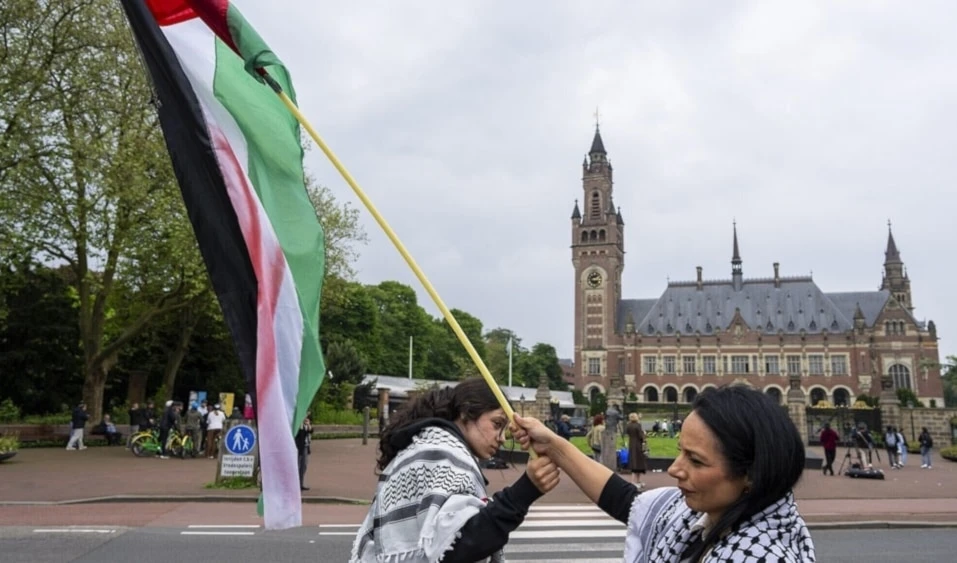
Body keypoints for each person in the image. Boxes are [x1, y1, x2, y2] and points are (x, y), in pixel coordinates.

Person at [512, 384, 815, 562]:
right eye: (680, 451)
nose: (674, 469)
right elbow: (626, 500)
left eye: (695, 461)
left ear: (751, 473)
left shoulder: (762, 556)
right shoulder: (707, 516)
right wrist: (554, 446)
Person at [350, 377, 560, 563]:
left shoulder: (425, 445)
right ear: (466, 412)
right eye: (497, 424)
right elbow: (458, 544)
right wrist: (524, 491)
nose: (503, 438)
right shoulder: (442, 453)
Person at [625, 412, 647, 490]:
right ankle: (636, 481)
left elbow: (627, 432)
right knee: (639, 462)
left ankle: (635, 481)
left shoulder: (628, 425)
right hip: (638, 445)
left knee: (634, 461)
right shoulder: (638, 425)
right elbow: (641, 436)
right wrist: (644, 435)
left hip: (631, 444)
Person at [295, 415, 313, 491]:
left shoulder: (306, 425)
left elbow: (311, 431)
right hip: (299, 447)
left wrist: (308, 426)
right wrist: (302, 426)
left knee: (304, 466)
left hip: (306, 447)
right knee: (297, 465)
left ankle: (300, 484)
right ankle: (295, 484)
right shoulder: (298, 426)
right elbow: (300, 435)